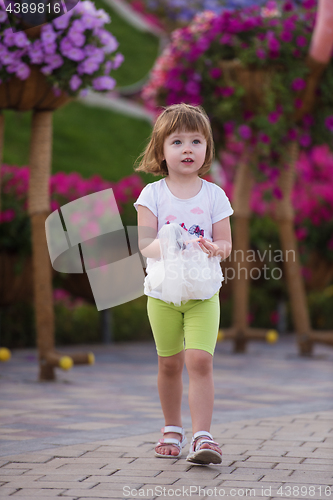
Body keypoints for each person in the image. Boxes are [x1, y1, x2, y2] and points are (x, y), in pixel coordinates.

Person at [133, 103, 233, 465]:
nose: (187, 148)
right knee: (170, 364)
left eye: (196, 141)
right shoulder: (153, 195)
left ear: (207, 149)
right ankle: (172, 428)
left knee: (200, 361)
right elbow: (146, 244)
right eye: (177, 142)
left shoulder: (214, 195)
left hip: (203, 293)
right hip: (163, 294)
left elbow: (225, 244)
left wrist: (213, 247)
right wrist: (173, 241)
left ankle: (203, 436)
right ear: (161, 151)